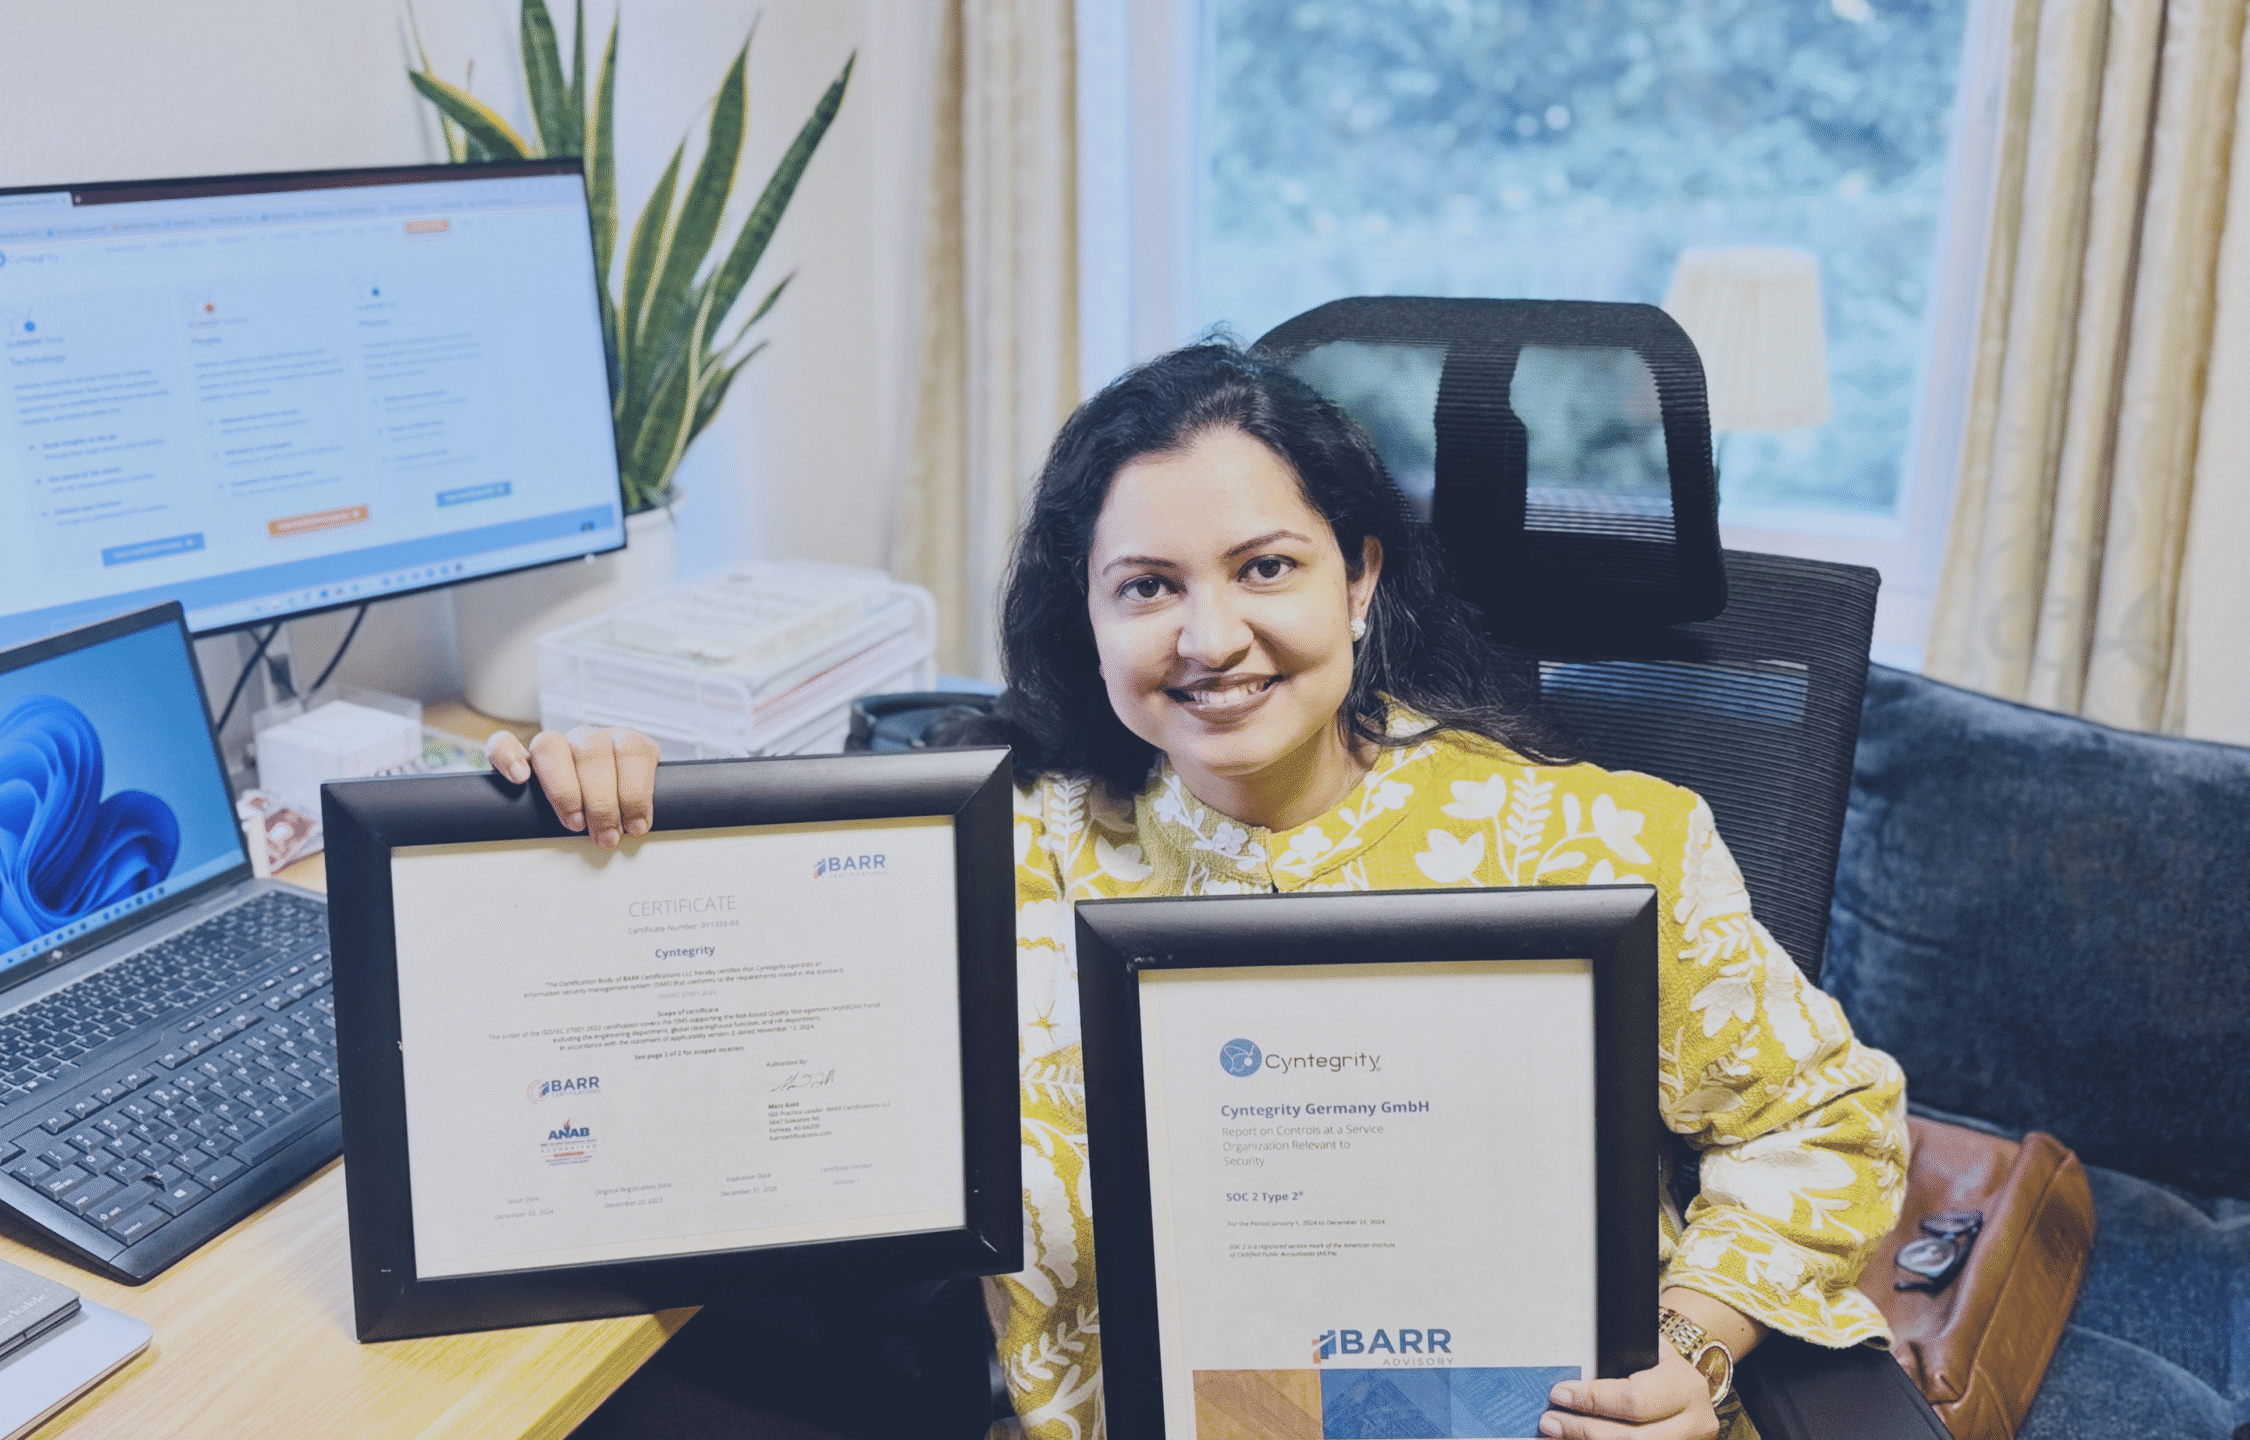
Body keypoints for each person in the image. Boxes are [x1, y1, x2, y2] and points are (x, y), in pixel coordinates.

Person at [494, 343, 1907, 1440]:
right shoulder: (987, 867)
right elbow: (692, 1045)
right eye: (1148, 586)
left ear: (1360, 577)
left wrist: (1695, 1343)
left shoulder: (1599, 843)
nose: (1210, 636)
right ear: (1089, 615)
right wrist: (590, 838)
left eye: (1265, 568)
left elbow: (1826, 1121)